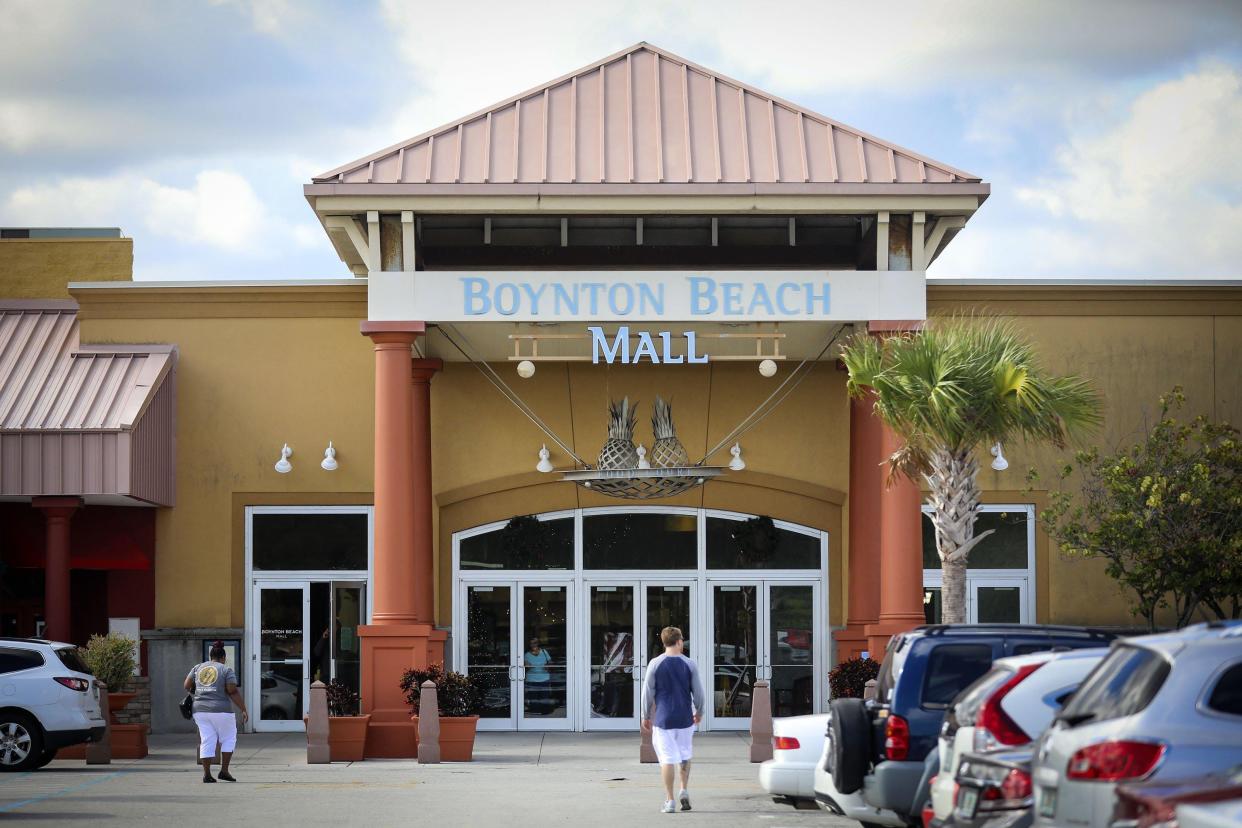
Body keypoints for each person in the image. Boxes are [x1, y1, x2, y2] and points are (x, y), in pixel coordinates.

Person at [641, 626, 705, 814]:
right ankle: (683, 790)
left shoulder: (655, 663)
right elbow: (698, 692)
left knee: (667, 759)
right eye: (682, 639)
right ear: (678, 641)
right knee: (685, 755)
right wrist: (699, 711)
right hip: (685, 718)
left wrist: (645, 715)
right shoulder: (690, 664)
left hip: (663, 719)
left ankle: (669, 801)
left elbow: (647, 692)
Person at [184, 640, 249, 783]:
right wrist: (243, 709)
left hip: (199, 710)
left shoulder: (198, 668)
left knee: (207, 739)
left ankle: (207, 774)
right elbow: (232, 690)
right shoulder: (226, 670)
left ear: (210, 656)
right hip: (221, 710)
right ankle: (224, 771)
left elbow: (187, 685)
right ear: (224, 658)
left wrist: (200, 690)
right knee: (228, 738)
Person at [523, 637, 551, 713]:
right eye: (531, 643)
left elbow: (550, 663)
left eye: (535, 643)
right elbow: (525, 666)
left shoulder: (544, 652)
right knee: (533, 696)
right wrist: (527, 666)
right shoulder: (527, 655)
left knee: (545, 696)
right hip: (532, 678)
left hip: (544, 677)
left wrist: (547, 666)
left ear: (538, 643)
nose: (533, 645)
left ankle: (545, 711)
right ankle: (535, 710)